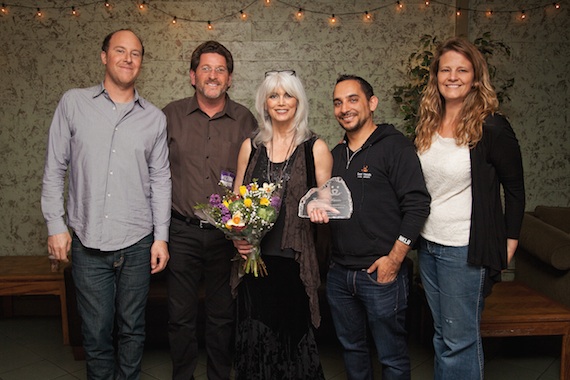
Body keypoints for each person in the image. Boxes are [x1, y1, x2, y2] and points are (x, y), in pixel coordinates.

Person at [41, 29, 171, 379]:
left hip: (138, 240)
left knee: (132, 329)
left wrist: (161, 237)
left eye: (136, 53)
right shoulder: (73, 103)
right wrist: (55, 225)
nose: (128, 59)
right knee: (96, 333)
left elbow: (161, 181)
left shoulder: (154, 119)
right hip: (88, 242)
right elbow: (55, 168)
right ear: (104, 56)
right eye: (120, 51)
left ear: (141, 62)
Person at [414, 37, 525, 379]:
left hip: (464, 249)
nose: (453, 76)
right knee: (442, 336)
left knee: (460, 341)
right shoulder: (428, 122)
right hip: (429, 245)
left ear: (476, 77)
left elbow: (516, 189)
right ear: (435, 76)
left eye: (462, 70)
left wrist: (508, 242)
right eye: (445, 69)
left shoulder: (491, 125)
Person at [310, 74, 430, 380]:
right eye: (338, 102)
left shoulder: (396, 148)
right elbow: (322, 201)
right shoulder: (335, 155)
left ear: (371, 103)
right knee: (352, 350)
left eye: (353, 99)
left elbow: (417, 205)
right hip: (339, 273)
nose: (344, 108)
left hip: (381, 274)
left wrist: (394, 259)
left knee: (391, 357)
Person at [162, 40, 257, 380]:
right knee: (180, 316)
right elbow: (152, 173)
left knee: (222, 316)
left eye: (220, 70)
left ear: (229, 78)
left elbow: (255, 179)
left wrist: (246, 231)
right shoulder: (170, 115)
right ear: (192, 75)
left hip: (226, 236)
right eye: (206, 68)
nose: (213, 75)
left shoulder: (246, 119)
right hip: (181, 231)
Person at [231, 70, 332, 379]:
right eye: (273, 95)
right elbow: (235, 203)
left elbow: (328, 199)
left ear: (298, 101)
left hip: (293, 265)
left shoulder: (315, 148)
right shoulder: (251, 147)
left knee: (291, 340)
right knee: (255, 338)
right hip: (254, 263)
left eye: (288, 95)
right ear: (265, 102)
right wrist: (237, 238)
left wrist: (321, 207)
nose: (281, 102)